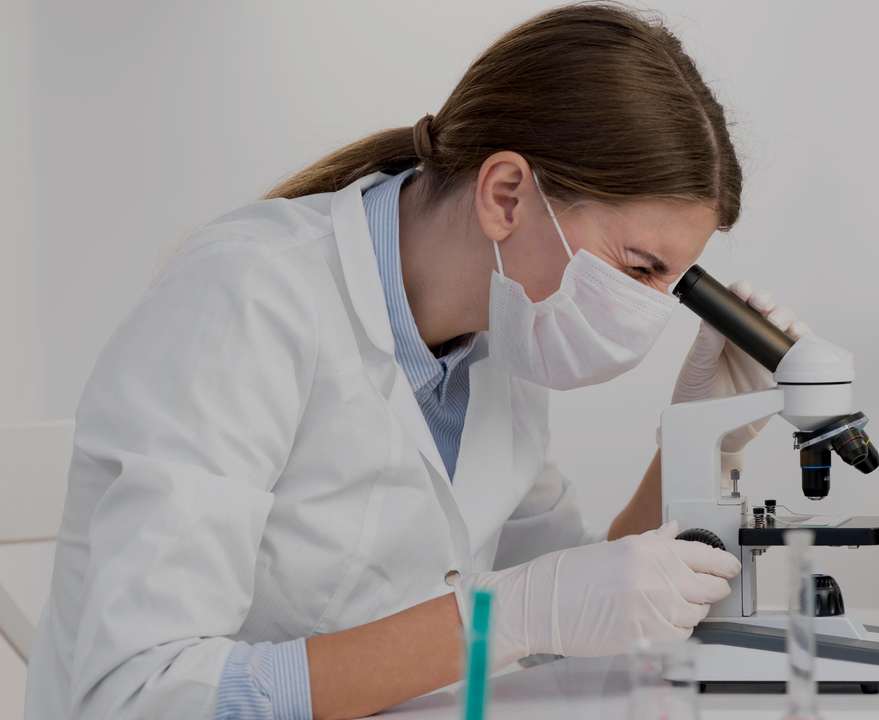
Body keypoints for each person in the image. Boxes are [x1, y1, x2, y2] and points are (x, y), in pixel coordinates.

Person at [25, 4, 810, 719]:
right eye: (640, 268)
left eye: (673, 282)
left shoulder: (499, 345)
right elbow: (135, 695)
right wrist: (505, 616)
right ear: (506, 194)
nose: (651, 308)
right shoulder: (247, 300)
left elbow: (581, 604)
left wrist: (698, 439)